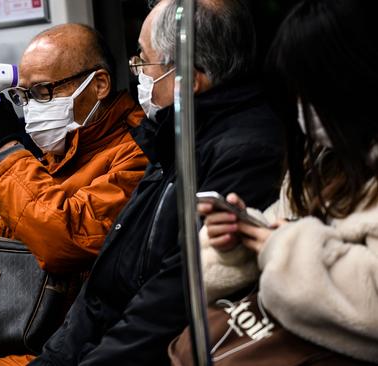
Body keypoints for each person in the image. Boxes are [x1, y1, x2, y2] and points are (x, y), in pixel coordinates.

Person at [31, 0, 285, 364]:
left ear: (189, 79)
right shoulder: (172, 139)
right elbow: (102, 290)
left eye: (143, 61)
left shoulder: (244, 152)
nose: (137, 73)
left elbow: (168, 302)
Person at [0, 23, 149, 365]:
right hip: (7, 342)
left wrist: (5, 148)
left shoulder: (136, 152)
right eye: (24, 96)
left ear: (99, 84)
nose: (32, 108)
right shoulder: (52, 156)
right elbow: (15, 271)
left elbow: (64, 243)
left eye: (43, 91)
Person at [197, 0, 378, 362]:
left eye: (313, 93)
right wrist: (240, 239)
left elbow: (369, 302)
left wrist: (280, 246)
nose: (301, 110)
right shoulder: (322, 163)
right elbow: (285, 222)